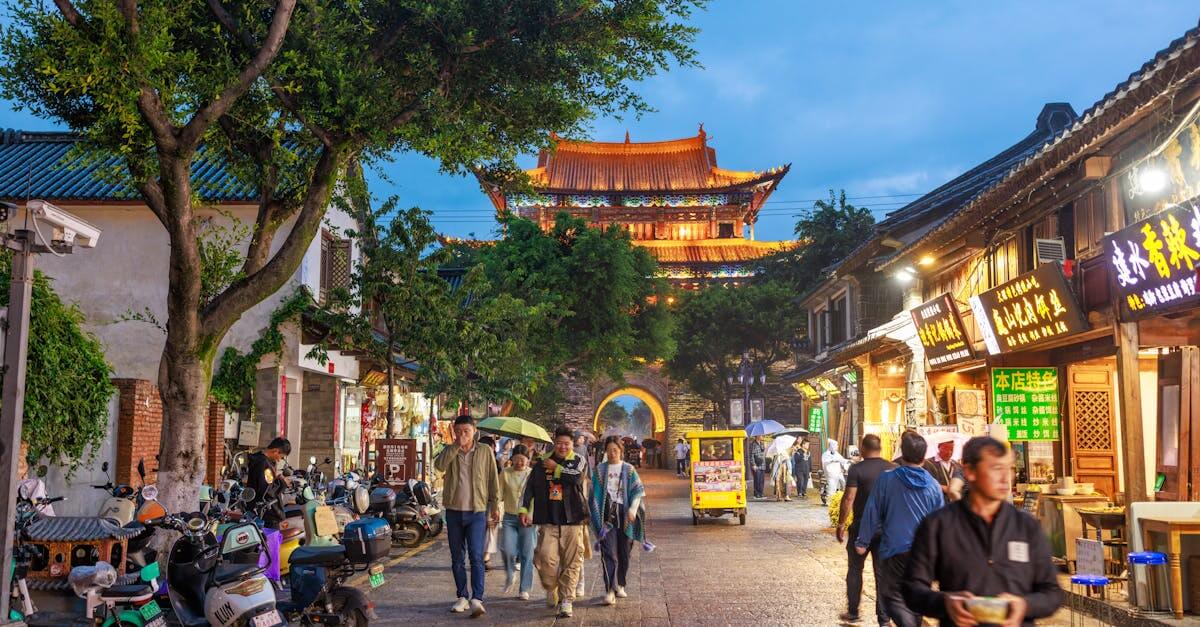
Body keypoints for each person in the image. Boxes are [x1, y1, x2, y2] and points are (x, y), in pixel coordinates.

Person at [904, 437, 1062, 626]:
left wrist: (1025, 605)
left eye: (1009, 469)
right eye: (996, 469)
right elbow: (912, 588)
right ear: (969, 471)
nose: (1006, 478)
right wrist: (945, 603)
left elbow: (1052, 593)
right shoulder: (938, 525)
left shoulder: (1027, 527)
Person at [854, 432, 943, 627]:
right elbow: (941, 523)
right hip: (923, 554)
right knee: (917, 598)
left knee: (890, 594)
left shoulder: (887, 480)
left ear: (902, 453)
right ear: (923, 456)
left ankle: (891, 623)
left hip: (894, 549)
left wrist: (862, 541)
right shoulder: (934, 486)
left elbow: (872, 510)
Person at [433, 415, 501, 618]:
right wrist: (455, 446)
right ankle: (462, 595)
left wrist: (494, 504)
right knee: (456, 557)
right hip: (453, 511)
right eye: (459, 431)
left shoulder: (485, 451)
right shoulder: (449, 450)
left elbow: (492, 479)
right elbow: (439, 466)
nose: (463, 435)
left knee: (476, 556)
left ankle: (477, 598)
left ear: (475, 432)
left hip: (477, 511)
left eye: (466, 431)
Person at [520, 426, 589, 618]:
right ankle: (552, 587)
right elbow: (530, 487)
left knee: (572, 561)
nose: (562, 446)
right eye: (559, 443)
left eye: (566, 443)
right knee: (543, 558)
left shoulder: (578, 460)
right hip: (548, 519)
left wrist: (556, 468)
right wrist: (524, 508)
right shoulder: (541, 461)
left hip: (572, 519)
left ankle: (567, 600)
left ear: (572, 444)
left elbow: (576, 478)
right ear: (554, 442)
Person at [836, 434, 895, 626]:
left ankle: (853, 611)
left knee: (855, 569)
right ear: (880, 448)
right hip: (885, 530)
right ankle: (884, 618)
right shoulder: (892, 468)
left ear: (863, 449)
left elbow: (849, 498)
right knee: (882, 574)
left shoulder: (857, 469)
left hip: (861, 528)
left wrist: (841, 523)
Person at [588, 436, 646, 606]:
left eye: (616, 450)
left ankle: (620, 583)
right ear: (605, 451)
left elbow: (638, 491)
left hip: (626, 515)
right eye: (609, 450)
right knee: (609, 553)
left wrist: (633, 509)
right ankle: (610, 589)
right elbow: (594, 496)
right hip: (607, 516)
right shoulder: (599, 470)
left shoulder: (629, 469)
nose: (612, 453)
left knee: (624, 554)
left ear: (621, 451)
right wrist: (596, 514)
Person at [499, 445, 535, 599]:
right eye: (516, 459)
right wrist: (493, 509)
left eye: (523, 460)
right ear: (512, 459)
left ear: (528, 460)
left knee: (527, 554)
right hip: (509, 517)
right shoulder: (505, 473)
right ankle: (510, 574)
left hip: (528, 519)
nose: (519, 462)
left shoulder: (532, 475)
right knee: (507, 548)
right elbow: (498, 494)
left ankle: (524, 588)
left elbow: (536, 498)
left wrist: (532, 515)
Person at [246, 437, 291, 527]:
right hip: (265, 513)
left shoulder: (262, 461)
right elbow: (267, 491)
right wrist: (282, 483)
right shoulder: (263, 464)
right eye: (281, 457)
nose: (279, 460)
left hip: (260, 510)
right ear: (275, 451)